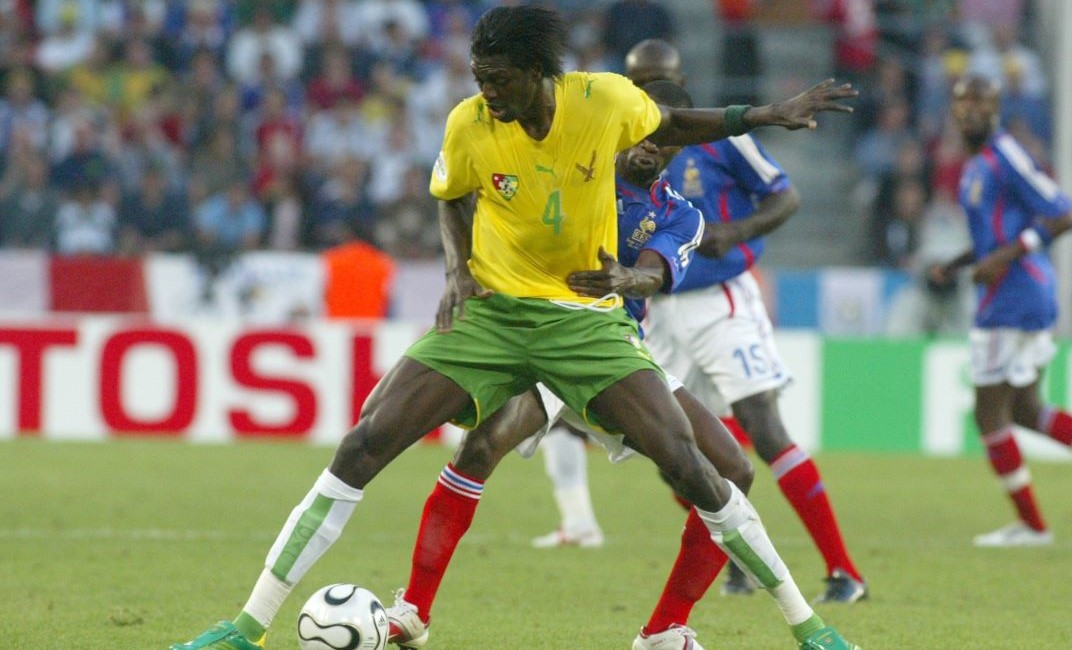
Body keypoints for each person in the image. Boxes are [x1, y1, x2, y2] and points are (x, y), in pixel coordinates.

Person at [169, 7, 860, 650]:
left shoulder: (610, 109)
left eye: (498, 79)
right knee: (366, 442)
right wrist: (456, 274)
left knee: (700, 469)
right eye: (480, 77)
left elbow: (673, 125)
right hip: (494, 315)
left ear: (537, 72)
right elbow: (450, 197)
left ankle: (804, 628)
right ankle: (247, 627)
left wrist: (766, 114)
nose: (487, 91)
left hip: (585, 326)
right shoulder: (470, 123)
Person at [383, 79, 799, 650]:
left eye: (664, 140)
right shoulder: (581, 168)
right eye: (643, 134)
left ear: (679, 147)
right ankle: (413, 610)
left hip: (611, 352)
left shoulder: (679, 214)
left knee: (734, 470)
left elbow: (655, 272)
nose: (650, 145)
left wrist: (631, 278)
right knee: (481, 447)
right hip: (542, 333)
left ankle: (665, 628)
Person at [624, 38, 867, 601]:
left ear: (682, 82)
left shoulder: (722, 137)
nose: (650, 93)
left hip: (720, 301)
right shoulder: (616, 144)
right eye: (639, 84)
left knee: (763, 424)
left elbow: (785, 197)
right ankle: (735, 554)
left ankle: (844, 572)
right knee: (669, 450)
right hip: (656, 309)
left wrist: (735, 232)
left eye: (661, 81)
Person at [930, 76, 1072, 548]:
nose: (970, 111)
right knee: (1027, 410)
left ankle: (1033, 526)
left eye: (980, 102)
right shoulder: (975, 165)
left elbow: (1063, 214)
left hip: (1015, 296)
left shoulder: (1005, 155)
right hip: (1014, 293)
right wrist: (959, 262)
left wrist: (1001, 259)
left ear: (995, 109)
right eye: (963, 103)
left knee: (988, 414)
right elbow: (996, 236)